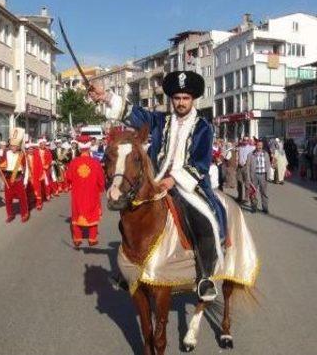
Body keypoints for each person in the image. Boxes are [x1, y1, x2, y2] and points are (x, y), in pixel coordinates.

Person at [92, 70, 226, 302]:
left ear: (192, 99)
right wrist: (106, 97)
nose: (181, 103)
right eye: (177, 98)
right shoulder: (161, 121)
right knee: (129, 215)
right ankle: (129, 270)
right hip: (156, 180)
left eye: (185, 98)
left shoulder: (204, 126)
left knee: (203, 219)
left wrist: (175, 179)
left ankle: (205, 277)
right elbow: (134, 113)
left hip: (188, 185)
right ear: (171, 100)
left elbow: (201, 162)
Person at [64, 135, 105, 247]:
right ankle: (92, 238)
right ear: (89, 147)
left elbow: (68, 177)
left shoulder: (74, 162)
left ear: (79, 147)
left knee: (77, 212)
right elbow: (101, 179)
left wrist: (68, 186)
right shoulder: (95, 163)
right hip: (92, 193)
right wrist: (101, 188)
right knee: (92, 212)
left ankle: (77, 238)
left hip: (77, 193)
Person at [0, 128, 29, 223]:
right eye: (12, 146)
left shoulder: (22, 155)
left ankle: (25, 214)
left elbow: (26, 169)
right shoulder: (5, 153)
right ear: (10, 145)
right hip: (8, 179)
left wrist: (25, 181)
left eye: (15, 146)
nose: (13, 147)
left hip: (18, 178)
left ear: (18, 146)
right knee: (8, 199)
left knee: (22, 198)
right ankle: (10, 214)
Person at [246, 140, 271, 214]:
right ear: (255, 146)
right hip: (254, 175)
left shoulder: (266, 154)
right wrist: (248, 177)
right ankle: (254, 207)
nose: (259, 147)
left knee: (264, 192)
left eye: (260, 145)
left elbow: (268, 165)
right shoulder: (250, 154)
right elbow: (247, 166)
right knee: (253, 192)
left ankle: (265, 208)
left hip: (263, 175)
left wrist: (268, 176)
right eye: (258, 145)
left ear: (262, 146)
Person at [25, 143, 44, 211]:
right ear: (27, 150)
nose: (30, 150)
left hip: (36, 176)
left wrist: (41, 175)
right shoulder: (25, 157)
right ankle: (29, 203)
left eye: (31, 149)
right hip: (28, 177)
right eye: (29, 149)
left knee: (37, 190)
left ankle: (39, 203)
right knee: (28, 190)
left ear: (33, 150)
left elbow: (41, 166)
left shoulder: (37, 156)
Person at [236, 137, 255, 202]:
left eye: (247, 140)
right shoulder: (240, 147)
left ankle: (246, 198)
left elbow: (257, 152)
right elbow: (236, 154)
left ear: (248, 141)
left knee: (247, 183)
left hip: (246, 167)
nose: (245, 141)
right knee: (239, 182)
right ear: (242, 140)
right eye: (244, 140)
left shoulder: (251, 148)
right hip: (239, 167)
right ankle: (239, 197)